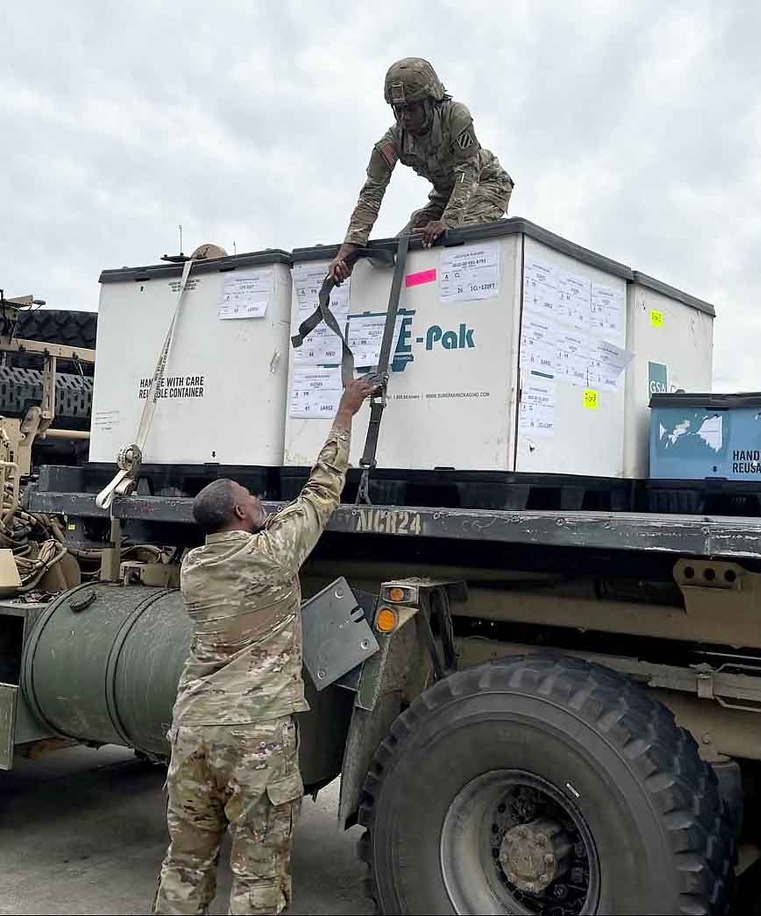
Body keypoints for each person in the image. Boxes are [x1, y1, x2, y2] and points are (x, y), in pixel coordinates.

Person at [152, 376, 376, 916]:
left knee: (185, 862)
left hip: (194, 730)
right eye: (252, 500)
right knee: (257, 875)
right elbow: (321, 491)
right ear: (241, 516)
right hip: (255, 734)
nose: (259, 502)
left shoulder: (194, 568)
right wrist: (346, 411)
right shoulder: (273, 554)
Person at [328, 57, 514, 283]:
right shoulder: (391, 142)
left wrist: (448, 222)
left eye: (412, 109)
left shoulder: (456, 117)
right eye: (398, 110)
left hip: (488, 185)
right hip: (445, 196)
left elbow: (468, 173)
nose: (404, 118)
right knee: (400, 247)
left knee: (450, 237)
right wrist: (349, 249)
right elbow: (371, 195)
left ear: (430, 102)